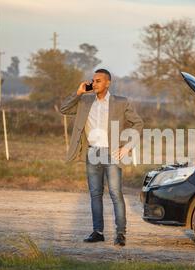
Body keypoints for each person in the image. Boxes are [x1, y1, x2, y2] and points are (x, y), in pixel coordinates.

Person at [59, 69, 144, 246]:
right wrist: (79, 92)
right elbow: (64, 109)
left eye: (98, 81)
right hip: (92, 153)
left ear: (108, 83)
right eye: (93, 80)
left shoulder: (120, 102)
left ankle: (120, 233)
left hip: (112, 153)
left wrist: (127, 147)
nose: (94, 83)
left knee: (115, 193)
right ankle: (98, 232)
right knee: (95, 194)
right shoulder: (84, 101)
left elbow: (138, 123)